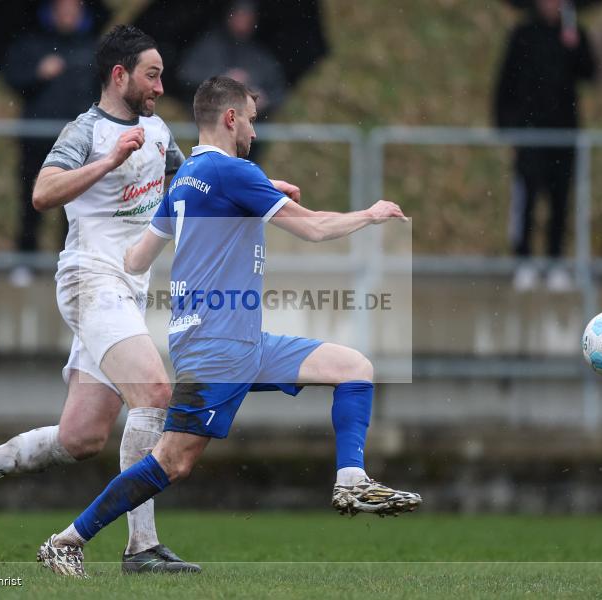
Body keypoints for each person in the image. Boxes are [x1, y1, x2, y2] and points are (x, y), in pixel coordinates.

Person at [35, 76, 422, 578]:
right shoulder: (232, 171)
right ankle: (67, 541)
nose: (256, 135)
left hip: (241, 340)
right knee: (171, 463)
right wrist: (369, 215)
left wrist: (247, 206)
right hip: (219, 348)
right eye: (253, 122)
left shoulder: (186, 179)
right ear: (231, 118)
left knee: (354, 367)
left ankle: (350, 479)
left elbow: (133, 258)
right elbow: (312, 227)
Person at [0, 25, 200, 574]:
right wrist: (109, 162)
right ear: (120, 76)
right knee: (157, 394)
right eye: (152, 75)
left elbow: (190, 188)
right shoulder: (85, 131)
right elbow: (42, 192)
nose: (161, 86)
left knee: (81, 437)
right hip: (90, 281)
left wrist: (257, 191)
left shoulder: (160, 132)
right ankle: (141, 548)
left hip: (127, 293)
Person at [494, 0, 596, 291]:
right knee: (526, 198)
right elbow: (507, 80)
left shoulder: (574, 32)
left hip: (564, 132)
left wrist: (575, 46)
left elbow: (589, 71)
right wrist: (506, 124)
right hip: (530, 132)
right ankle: (523, 260)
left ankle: (555, 261)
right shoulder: (523, 34)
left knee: (560, 200)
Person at [3, 0, 102, 282]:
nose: (69, 15)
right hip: (37, 138)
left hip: (77, 141)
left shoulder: (93, 48)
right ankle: (25, 261)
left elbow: (101, 92)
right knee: (31, 201)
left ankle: (69, 265)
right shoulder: (32, 43)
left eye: (74, 10)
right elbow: (12, 76)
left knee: (75, 206)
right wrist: (38, 72)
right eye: (63, 9)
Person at [176, 0, 287, 162]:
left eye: (248, 17)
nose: (244, 21)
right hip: (212, 131)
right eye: (240, 15)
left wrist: (263, 100)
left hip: (249, 140)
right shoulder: (208, 47)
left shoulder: (260, 55)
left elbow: (277, 91)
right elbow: (187, 76)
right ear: (230, 16)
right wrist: (222, 80)